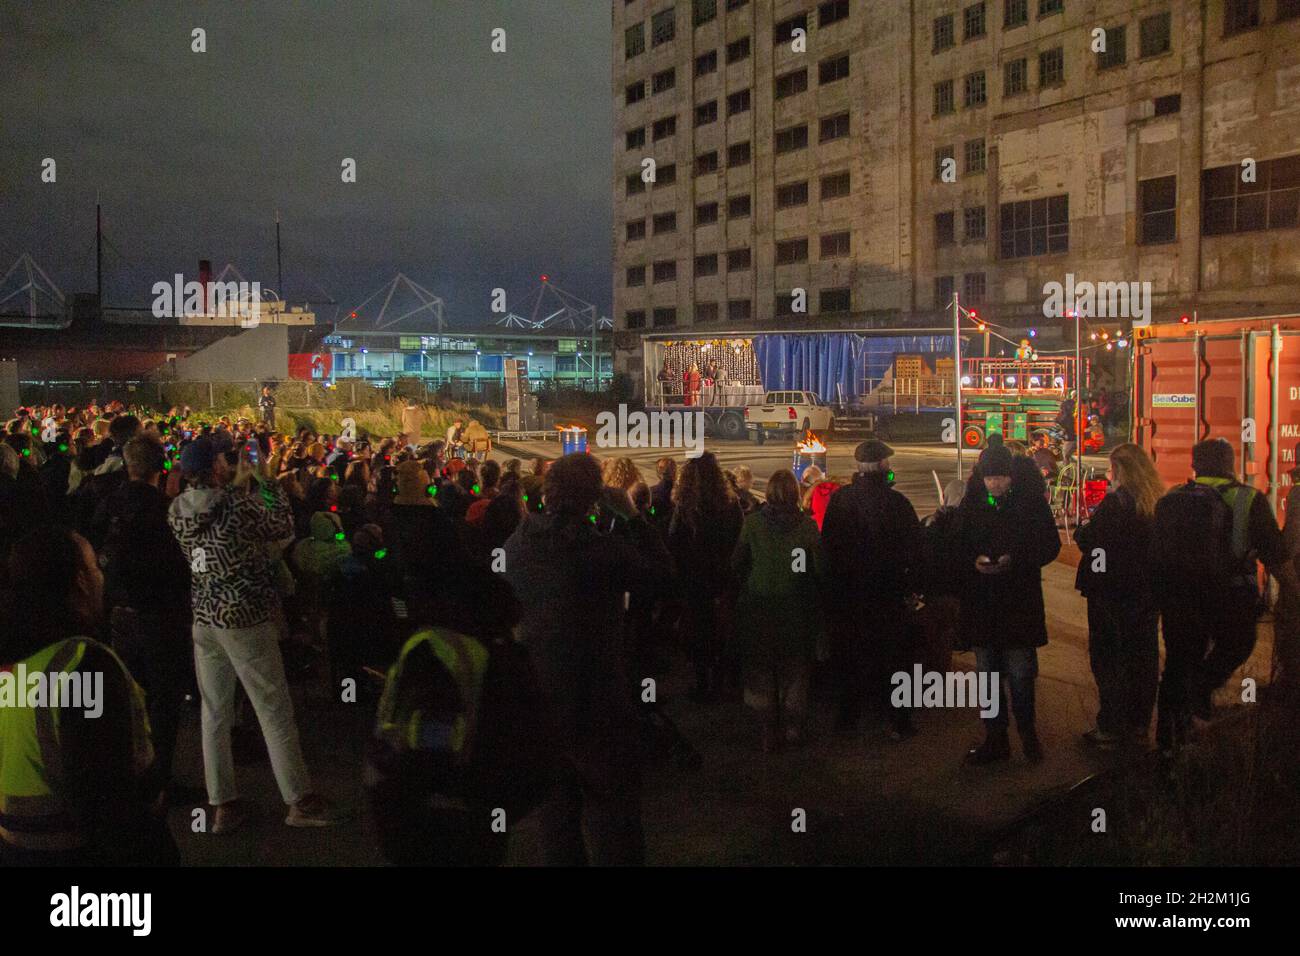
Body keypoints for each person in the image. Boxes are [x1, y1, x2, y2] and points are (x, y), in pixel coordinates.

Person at [503, 453, 671, 864]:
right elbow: (664, 578)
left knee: (557, 816)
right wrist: (632, 518)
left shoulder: (518, 543)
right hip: (597, 696)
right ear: (595, 497)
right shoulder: (600, 550)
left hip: (541, 697)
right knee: (615, 812)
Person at [168, 435, 338, 831]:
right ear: (214, 467)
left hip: (205, 617)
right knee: (272, 708)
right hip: (244, 616)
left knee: (215, 713)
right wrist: (265, 480)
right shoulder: (235, 504)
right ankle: (299, 800)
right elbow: (282, 527)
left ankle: (223, 805)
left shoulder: (176, 510)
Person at [0, 528, 175, 866]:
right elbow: (106, 803)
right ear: (80, 581)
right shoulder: (83, 667)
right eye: (96, 567)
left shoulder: (15, 661)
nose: (101, 578)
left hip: (18, 849)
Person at [1149, 438, 1295, 754]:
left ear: (1194, 465)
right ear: (1230, 465)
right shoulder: (1248, 500)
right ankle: (1199, 694)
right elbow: (1276, 556)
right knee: (1237, 645)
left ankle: (1167, 743)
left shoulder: (1172, 498)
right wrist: (1292, 592)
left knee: (1177, 663)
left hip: (1180, 597)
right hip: (1229, 597)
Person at [100, 435, 194, 802]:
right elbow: (181, 564)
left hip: (120, 615)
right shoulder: (165, 511)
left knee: (128, 701)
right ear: (162, 467)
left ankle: (130, 777)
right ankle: (159, 781)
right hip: (160, 616)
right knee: (164, 702)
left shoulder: (108, 502)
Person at [955, 441, 1061, 764]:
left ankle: (1028, 734)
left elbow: (1049, 545)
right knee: (987, 674)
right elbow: (955, 545)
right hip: (983, 604)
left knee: (1020, 673)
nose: (995, 483)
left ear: (1011, 476)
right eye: (989, 477)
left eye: (1000, 477)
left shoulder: (1030, 505)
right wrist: (973, 561)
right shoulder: (972, 504)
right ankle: (995, 737)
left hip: (1019, 603)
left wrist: (1016, 561)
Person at [821, 440, 922, 739]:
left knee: (851, 657)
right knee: (894, 659)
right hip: (888, 594)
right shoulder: (897, 504)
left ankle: (847, 719)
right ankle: (898, 720)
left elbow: (828, 547)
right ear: (882, 467)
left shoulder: (841, 501)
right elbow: (915, 550)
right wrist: (912, 587)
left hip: (849, 594)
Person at [1073, 443, 1163, 749]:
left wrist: (1083, 532)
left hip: (1109, 592)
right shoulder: (1154, 503)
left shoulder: (1115, 504)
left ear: (1122, 471)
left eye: (1112, 469)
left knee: (1108, 658)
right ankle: (1139, 725)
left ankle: (1111, 726)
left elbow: (1092, 541)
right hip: (1145, 594)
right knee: (1143, 659)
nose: (1110, 475)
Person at [732, 468, 823, 751]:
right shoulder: (807, 528)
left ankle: (768, 731)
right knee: (794, 670)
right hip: (794, 607)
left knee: (761, 669)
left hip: (758, 606)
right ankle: (793, 728)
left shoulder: (753, 524)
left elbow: (737, 562)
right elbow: (816, 570)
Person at [668, 451, 744, 701]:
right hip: (722, 575)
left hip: (694, 577)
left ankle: (702, 682)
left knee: (697, 630)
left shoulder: (685, 508)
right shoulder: (730, 505)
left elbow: (674, 541)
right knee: (721, 628)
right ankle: (720, 681)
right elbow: (739, 540)